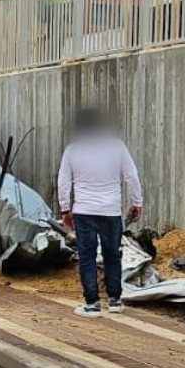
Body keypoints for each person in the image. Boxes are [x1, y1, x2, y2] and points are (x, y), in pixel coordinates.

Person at [57, 108, 143, 318]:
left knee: (87, 257)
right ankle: (114, 301)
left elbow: (63, 182)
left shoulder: (72, 150)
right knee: (112, 255)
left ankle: (92, 304)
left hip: (84, 211)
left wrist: (65, 209)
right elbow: (131, 176)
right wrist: (136, 201)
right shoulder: (117, 147)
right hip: (111, 211)